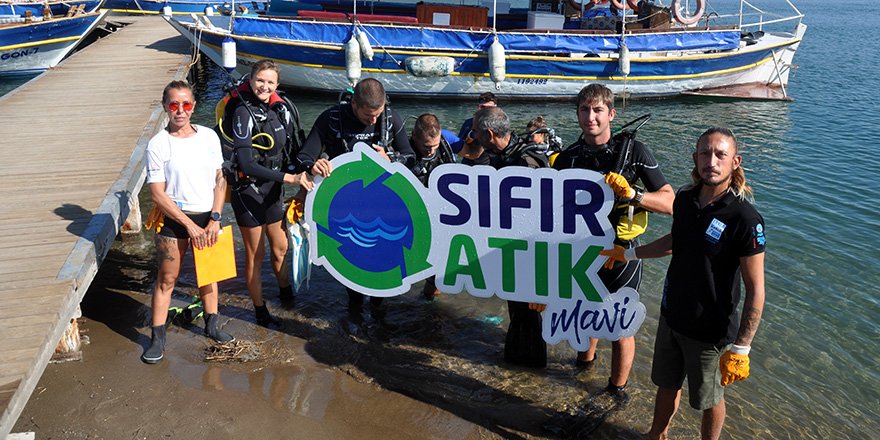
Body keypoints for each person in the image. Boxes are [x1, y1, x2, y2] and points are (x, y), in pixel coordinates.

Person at [602, 127, 765, 439]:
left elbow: (756, 289)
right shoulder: (686, 199)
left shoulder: (745, 217)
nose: (712, 161)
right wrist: (629, 254)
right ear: (695, 158)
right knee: (666, 384)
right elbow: (676, 241)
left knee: (709, 399)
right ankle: (656, 434)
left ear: (735, 161)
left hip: (710, 330)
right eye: (705, 153)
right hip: (672, 315)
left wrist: (742, 347)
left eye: (720, 154)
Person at [552, 84, 674, 396]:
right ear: (577, 113)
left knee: (620, 324)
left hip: (622, 251)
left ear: (611, 114)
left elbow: (671, 203)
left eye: (597, 110)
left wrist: (634, 193)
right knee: (585, 312)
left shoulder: (635, 152)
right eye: (584, 110)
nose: (590, 117)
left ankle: (616, 390)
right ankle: (584, 367)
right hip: (582, 248)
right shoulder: (568, 158)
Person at [298, 77, 415, 311]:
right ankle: (354, 309)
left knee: (382, 258)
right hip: (346, 204)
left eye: (377, 114)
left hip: (383, 205)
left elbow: (410, 156)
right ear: (353, 104)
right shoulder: (331, 118)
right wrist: (314, 165)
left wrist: (390, 159)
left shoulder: (391, 118)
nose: (373, 120)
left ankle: (377, 309)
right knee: (354, 261)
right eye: (367, 116)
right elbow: (303, 156)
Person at [142, 80, 234, 364]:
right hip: (175, 221)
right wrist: (190, 226)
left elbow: (220, 177)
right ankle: (157, 338)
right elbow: (157, 194)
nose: (179, 110)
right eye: (173, 104)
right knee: (167, 278)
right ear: (164, 107)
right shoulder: (158, 144)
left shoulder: (208, 136)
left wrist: (215, 218)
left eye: (185, 104)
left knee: (210, 275)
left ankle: (212, 324)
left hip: (209, 218)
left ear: (193, 107)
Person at [222, 60, 314, 326]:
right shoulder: (242, 111)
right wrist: (291, 178)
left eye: (270, 82)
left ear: (277, 85)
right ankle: (260, 310)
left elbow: (291, 152)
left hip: (273, 190)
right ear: (251, 80)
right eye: (260, 80)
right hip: (248, 191)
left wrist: (309, 167)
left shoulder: (280, 109)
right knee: (256, 255)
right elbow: (248, 164)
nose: (264, 86)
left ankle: (286, 295)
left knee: (281, 248)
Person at [467, 107, 551, 368]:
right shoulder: (496, 153)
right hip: (507, 245)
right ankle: (518, 357)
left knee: (528, 308)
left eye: (476, 132)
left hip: (531, 247)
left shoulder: (526, 160)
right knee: (516, 305)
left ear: (490, 134)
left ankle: (530, 365)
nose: (473, 136)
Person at [409, 113, 458, 298]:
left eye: (435, 146)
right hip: (411, 217)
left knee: (439, 269)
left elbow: (473, 154)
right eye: (426, 146)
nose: (431, 151)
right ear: (414, 136)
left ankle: (428, 303)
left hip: (437, 216)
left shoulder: (443, 150)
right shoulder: (403, 150)